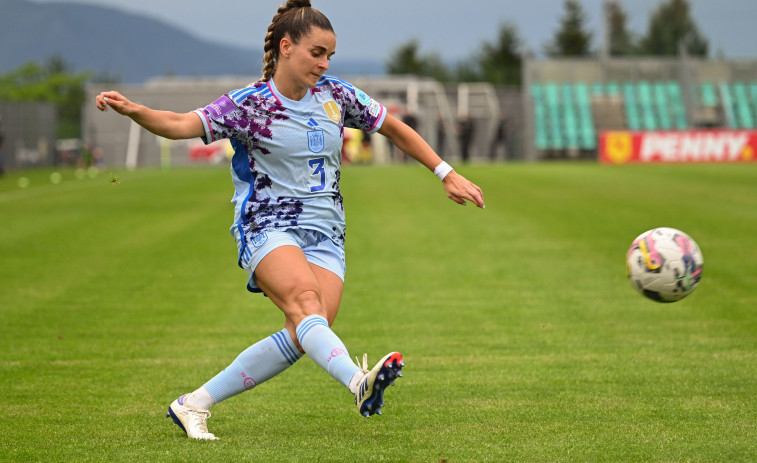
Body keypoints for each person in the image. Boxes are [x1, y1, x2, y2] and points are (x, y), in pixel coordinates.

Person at [95, 0, 485, 441]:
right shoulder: (249, 105)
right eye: (316, 53)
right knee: (305, 302)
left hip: (327, 234)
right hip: (267, 227)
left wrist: (445, 173)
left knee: (306, 331)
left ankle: (193, 404)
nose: (324, 63)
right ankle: (359, 383)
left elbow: (392, 127)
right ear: (286, 47)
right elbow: (181, 123)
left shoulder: (336, 96)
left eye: (329, 56)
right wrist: (135, 111)